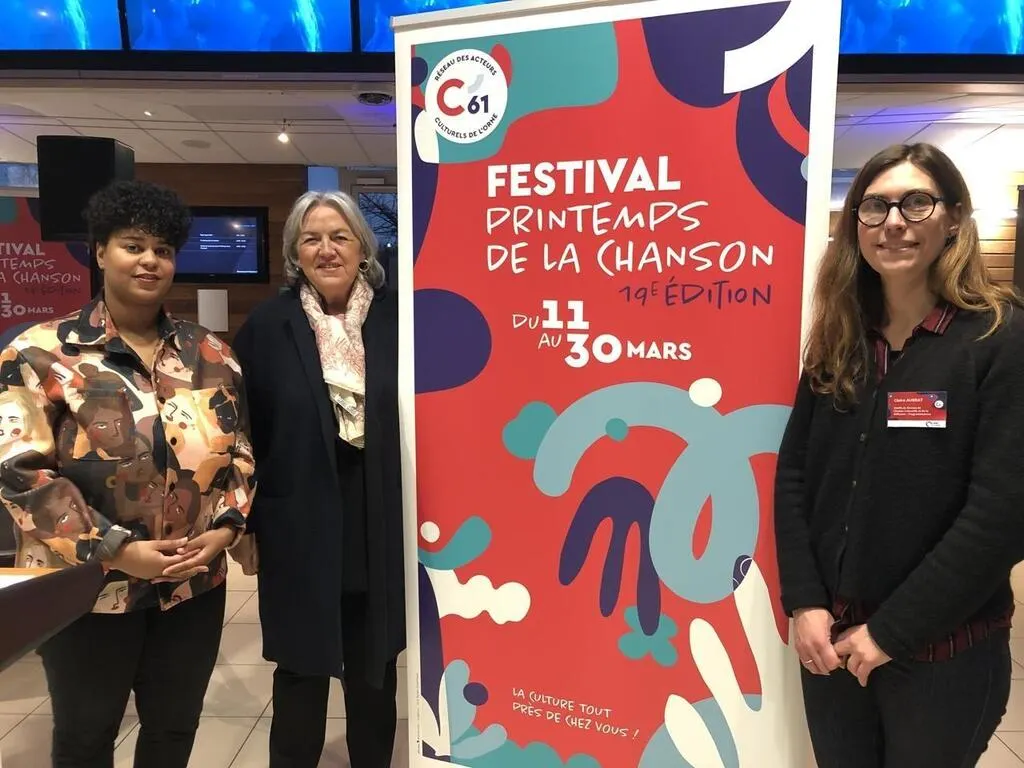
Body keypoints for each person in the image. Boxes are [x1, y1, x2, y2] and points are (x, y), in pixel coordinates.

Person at [774, 142, 1024, 767]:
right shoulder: (841, 336)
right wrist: (804, 601)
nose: (893, 222)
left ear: (955, 218)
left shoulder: (999, 338)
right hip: (833, 648)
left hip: (941, 655)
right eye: (874, 206)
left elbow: (1003, 513)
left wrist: (891, 631)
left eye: (916, 203)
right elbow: (796, 476)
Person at [0, 179, 255, 767]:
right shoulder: (40, 353)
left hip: (192, 586)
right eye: (133, 246)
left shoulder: (210, 354)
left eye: (162, 250)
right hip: (85, 589)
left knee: (173, 731)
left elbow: (240, 451)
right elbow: (19, 474)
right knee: (86, 737)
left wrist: (226, 528)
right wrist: (114, 549)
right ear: (100, 251)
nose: (149, 261)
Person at [232, 190, 404, 768]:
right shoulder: (267, 327)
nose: (326, 249)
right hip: (297, 523)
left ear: (362, 248)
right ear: (294, 253)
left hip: (378, 516)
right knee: (300, 668)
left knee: (375, 665)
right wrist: (246, 522)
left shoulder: (399, 320)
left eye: (339, 236)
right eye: (311, 239)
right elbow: (242, 432)